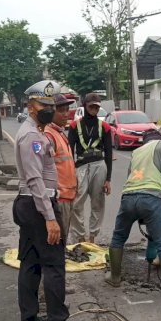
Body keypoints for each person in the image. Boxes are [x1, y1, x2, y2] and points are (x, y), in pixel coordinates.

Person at [13, 80, 84, 321]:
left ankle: (29, 320)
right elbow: (34, 181)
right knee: (53, 264)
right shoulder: (31, 136)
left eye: (51, 105)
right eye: (44, 105)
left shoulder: (37, 131)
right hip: (37, 205)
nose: (49, 109)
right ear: (31, 106)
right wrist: (50, 218)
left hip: (30, 205)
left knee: (31, 262)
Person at [105, 130, 161, 299]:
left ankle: (114, 277)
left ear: (144, 141)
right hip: (151, 197)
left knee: (118, 237)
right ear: (159, 139)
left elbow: (130, 174)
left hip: (128, 196)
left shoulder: (136, 151)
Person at [68, 93, 113, 243]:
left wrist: (108, 179)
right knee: (76, 203)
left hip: (99, 166)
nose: (94, 109)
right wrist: (70, 174)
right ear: (85, 106)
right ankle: (80, 236)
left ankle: (92, 238)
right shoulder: (75, 126)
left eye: (97, 106)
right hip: (80, 167)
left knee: (98, 203)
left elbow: (109, 153)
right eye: (91, 106)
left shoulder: (105, 127)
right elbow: (69, 153)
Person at [44, 93, 77, 238]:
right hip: (59, 198)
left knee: (63, 238)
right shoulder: (48, 135)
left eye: (67, 109)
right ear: (51, 112)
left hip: (68, 197)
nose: (66, 114)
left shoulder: (61, 133)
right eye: (61, 110)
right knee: (58, 241)